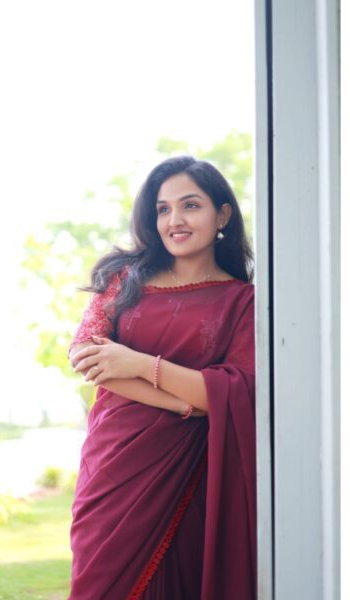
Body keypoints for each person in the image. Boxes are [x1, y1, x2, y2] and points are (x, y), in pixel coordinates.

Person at [67, 155, 256, 599]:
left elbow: (233, 391)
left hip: (188, 475)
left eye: (191, 205)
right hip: (113, 469)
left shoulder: (243, 302)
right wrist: (179, 402)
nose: (175, 220)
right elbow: (86, 357)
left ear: (222, 215)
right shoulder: (123, 279)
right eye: (163, 209)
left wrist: (137, 364)